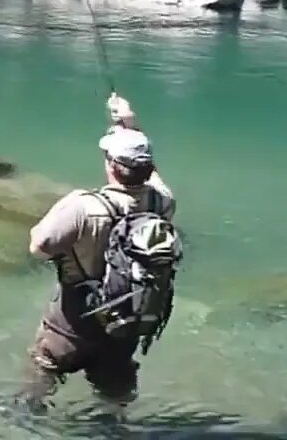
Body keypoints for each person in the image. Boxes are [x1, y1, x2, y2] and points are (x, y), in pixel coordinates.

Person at [19, 92, 176, 414]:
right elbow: (153, 175)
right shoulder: (162, 202)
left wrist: (65, 207)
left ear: (111, 167)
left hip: (71, 322)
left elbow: (38, 247)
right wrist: (129, 126)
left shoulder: (84, 206)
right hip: (124, 324)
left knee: (39, 382)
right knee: (114, 395)